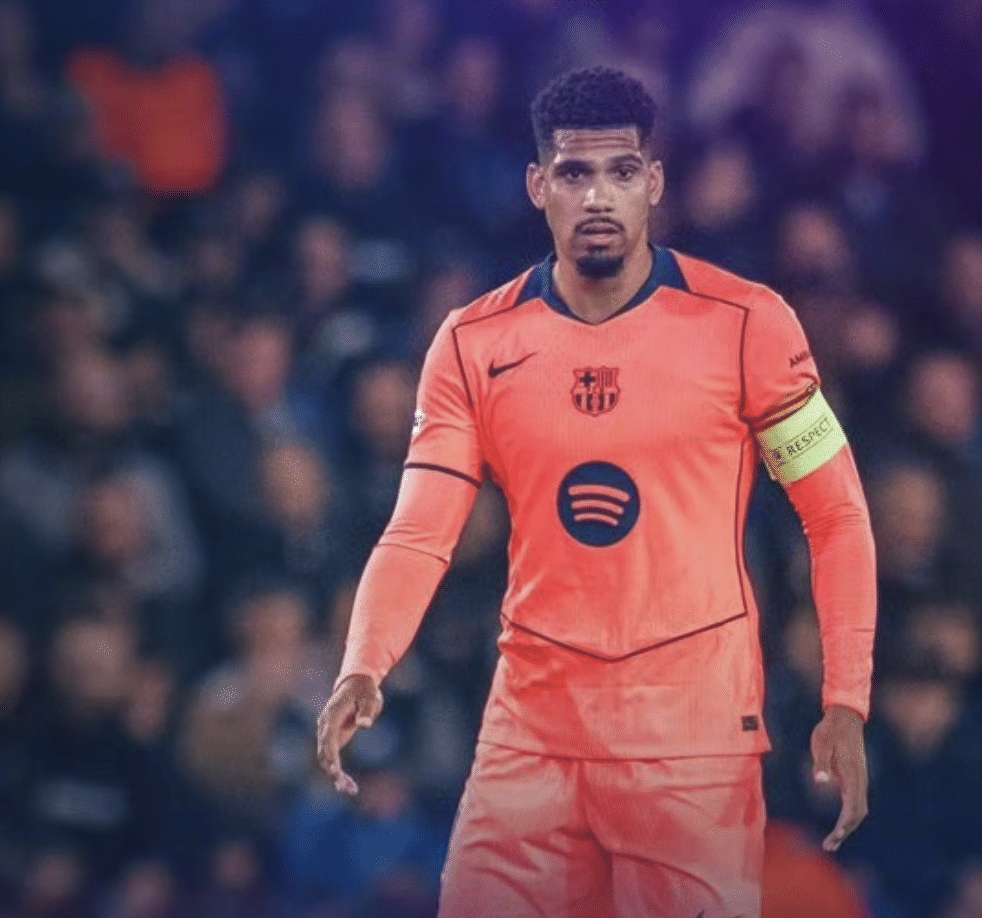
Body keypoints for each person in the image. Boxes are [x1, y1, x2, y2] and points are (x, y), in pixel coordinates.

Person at [316, 66, 877, 918]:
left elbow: (836, 515)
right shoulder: (472, 343)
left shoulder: (748, 325)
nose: (598, 196)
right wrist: (365, 661)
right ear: (538, 186)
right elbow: (419, 533)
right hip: (532, 734)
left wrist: (845, 698)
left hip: (691, 741)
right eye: (575, 173)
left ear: (655, 182)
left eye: (621, 172)